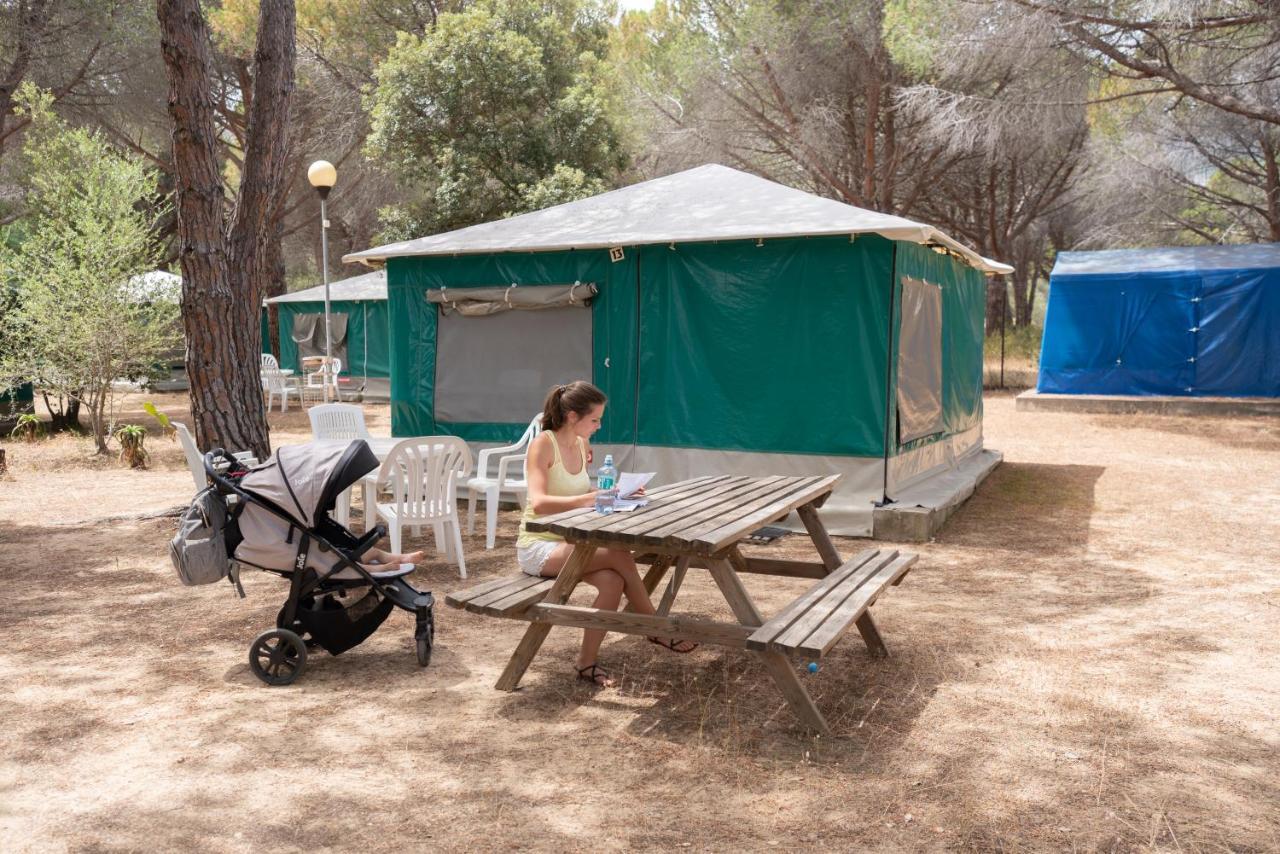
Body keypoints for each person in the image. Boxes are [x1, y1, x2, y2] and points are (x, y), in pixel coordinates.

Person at [518, 380, 697, 687]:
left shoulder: (581, 444)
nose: (599, 426)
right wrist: (590, 498)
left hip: (573, 544)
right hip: (539, 547)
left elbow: (580, 490)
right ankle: (655, 628)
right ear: (573, 416)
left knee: (613, 582)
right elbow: (540, 503)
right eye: (595, 419)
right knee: (618, 553)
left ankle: (586, 664)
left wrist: (617, 493)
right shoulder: (544, 444)